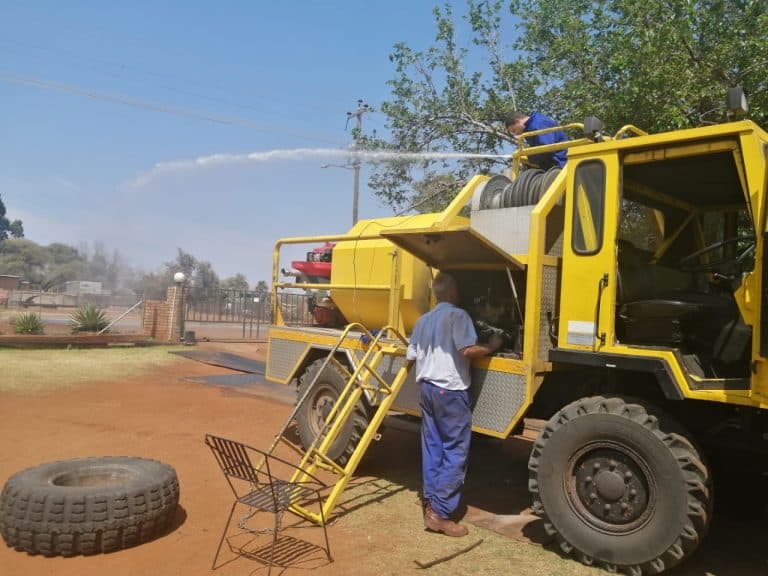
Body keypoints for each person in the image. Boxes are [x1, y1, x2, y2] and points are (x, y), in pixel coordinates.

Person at [406, 272, 502, 537]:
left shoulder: (423, 320)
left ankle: (430, 499)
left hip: (426, 388)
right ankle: (439, 513)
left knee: (433, 446)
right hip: (449, 391)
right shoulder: (458, 316)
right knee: (455, 450)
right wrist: (491, 345)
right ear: (452, 291)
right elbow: (466, 350)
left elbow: (411, 353)